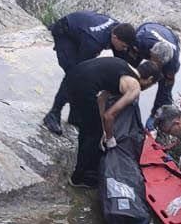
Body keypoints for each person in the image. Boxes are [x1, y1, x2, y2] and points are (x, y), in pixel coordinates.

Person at [65, 57, 159, 189]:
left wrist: (102, 128)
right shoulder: (134, 87)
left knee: (90, 129)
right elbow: (109, 115)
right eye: (151, 84)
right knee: (93, 135)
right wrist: (109, 138)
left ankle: (84, 169)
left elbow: (101, 100)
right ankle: (78, 178)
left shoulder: (124, 66)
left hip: (72, 77)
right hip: (83, 87)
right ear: (149, 79)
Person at [43, 12, 139, 135]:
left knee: (80, 77)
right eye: (124, 46)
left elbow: (121, 62)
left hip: (81, 30)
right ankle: (53, 113)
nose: (125, 49)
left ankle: (74, 115)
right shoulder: (94, 41)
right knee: (74, 74)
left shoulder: (118, 29)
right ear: (115, 38)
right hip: (65, 32)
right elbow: (80, 73)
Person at [133, 22, 181, 115]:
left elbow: (165, 91)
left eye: (158, 63)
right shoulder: (140, 41)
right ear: (151, 53)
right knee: (130, 68)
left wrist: (157, 114)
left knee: (165, 89)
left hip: (170, 35)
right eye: (154, 60)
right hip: (149, 28)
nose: (154, 64)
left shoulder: (172, 65)